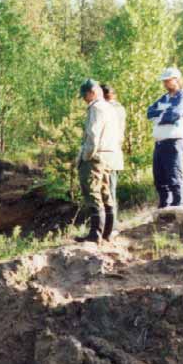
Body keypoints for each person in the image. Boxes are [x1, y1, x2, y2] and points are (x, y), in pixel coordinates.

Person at [75, 78, 115, 244]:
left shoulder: (96, 108)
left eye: (85, 95)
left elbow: (93, 134)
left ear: (91, 93)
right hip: (108, 155)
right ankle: (107, 233)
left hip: (95, 157)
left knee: (92, 193)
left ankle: (95, 234)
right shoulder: (109, 107)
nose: (84, 99)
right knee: (106, 193)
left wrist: (85, 156)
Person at [146, 67, 183, 208]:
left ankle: (178, 205)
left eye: (168, 81)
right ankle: (164, 206)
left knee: (174, 174)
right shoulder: (164, 98)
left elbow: (173, 114)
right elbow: (149, 112)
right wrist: (162, 113)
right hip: (160, 142)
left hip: (174, 141)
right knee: (159, 177)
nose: (165, 84)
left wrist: (160, 114)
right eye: (164, 81)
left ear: (176, 80)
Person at [100, 83, 126, 239]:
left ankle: (111, 227)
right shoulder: (117, 109)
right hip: (112, 155)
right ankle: (109, 226)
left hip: (109, 156)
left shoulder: (112, 110)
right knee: (108, 192)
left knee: (109, 192)